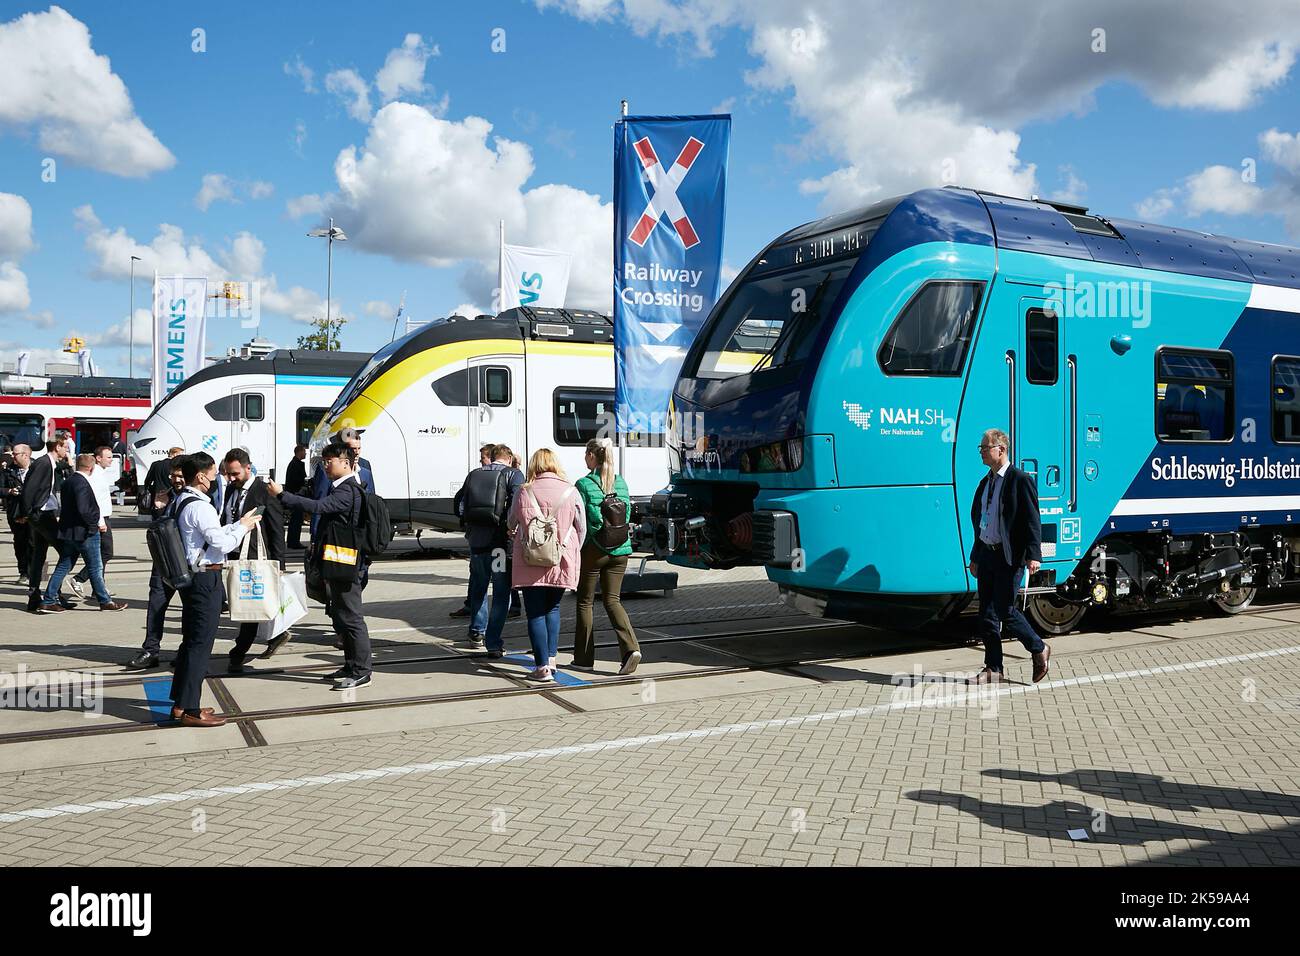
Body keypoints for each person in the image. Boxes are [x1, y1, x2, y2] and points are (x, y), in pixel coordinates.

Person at [270, 441, 372, 690]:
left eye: (330, 461)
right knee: (341, 615)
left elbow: (318, 507)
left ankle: (362, 671)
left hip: (346, 564)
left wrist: (283, 495)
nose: (326, 466)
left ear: (346, 463)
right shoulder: (341, 488)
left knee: (351, 617)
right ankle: (350, 664)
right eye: (324, 461)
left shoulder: (348, 490)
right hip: (337, 562)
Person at [170, 452, 261, 727]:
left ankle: (181, 702)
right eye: (213, 473)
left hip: (192, 577)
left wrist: (237, 525)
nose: (217, 478)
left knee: (190, 642)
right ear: (200, 476)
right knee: (200, 645)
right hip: (204, 579)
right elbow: (221, 544)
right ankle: (191, 710)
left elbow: (212, 536)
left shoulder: (182, 501)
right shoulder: (200, 506)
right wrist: (243, 529)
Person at [967, 428, 1050, 685]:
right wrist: (976, 556)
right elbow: (981, 522)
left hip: (1009, 557)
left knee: (1005, 610)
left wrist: (1033, 554)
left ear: (1000, 450)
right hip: (987, 554)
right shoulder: (985, 483)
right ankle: (994, 668)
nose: (981, 452)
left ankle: (1038, 648)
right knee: (986, 614)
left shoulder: (1019, 479)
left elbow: (1032, 519)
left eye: (984, 447)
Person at [507, 448, 585, 682]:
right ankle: (551, 660)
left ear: (534, 466)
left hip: (530, 560)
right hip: (561, 559)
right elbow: (581, 528)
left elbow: (512, 521)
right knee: (553, 609)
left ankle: (541, 668)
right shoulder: (571, 491)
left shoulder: (524, 491)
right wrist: (571, 550)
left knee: (535, 613)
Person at [573, 437, 642, 675]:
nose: (584, 457)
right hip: (621, 549)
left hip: (595, 550)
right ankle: (631, 649)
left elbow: (581, 521)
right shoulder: (621, 482)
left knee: (585, 602)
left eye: (586, 453)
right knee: (613, 601)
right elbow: (628, 513)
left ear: (592, 456)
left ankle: (583, 658)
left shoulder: (583, 484)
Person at [222, 448, 288, 672]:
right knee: (253, 602)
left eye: (235, 474)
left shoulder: (264, 491)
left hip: (256, 555)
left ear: (248, 468)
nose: (231, 478)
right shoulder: (231, 488)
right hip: (235, 553)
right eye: (228, 474)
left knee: (248, 605)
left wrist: (280, 563)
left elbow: (277, 529)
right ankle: (276, 635)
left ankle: (238, 652)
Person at [38, 454, 127, 614]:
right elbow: (84, 509)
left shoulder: (68, 482)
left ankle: (48, 600)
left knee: (64, 565)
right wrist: (96, 524)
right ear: (91, 468)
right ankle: (105, 601)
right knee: (95, 566)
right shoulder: (83, 483)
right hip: (85, 532)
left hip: (69, 532)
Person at [456, 444, 524, 656]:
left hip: (477, 543)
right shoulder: (513, 474)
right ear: (509, 458)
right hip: (499, 546)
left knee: (479, 587)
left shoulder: (473, 475)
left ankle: (476, 632)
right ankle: (493, 642)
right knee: (502, 592)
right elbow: (520, 504)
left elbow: (459, 506)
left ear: (492, 457)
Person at [126, 459, 188, 670]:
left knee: (189, 609)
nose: (176, 480)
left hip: (187, 564)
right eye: (173, 476)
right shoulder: (166, 495)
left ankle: (185, 651)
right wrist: (159, 509)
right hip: (163, 562)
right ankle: (151, 650)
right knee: (156, 605)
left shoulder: (195, 499)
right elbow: (158, 529)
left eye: (180, 476)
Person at [20, 431, 75, 613]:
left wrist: (69, 464)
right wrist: (27, 512)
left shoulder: (50, 463)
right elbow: (29, 488)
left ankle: (35, 596)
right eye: (65, 447)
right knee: (67, 552)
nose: (67, 450)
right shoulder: (44, 463)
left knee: (39, 555)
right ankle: (51, 597)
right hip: (41, 515)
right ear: (57, 447)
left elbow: (64, 472)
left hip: (44, 514)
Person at [306, 427, 372, 538]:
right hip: (336, 534)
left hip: (360, 533)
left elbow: (371, 499)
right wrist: (315, 534)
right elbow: (320, 501)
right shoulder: (326, 469)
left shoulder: (365, 466)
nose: (356, 453)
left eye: (359, 448)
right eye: (352, 449)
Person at [70, 446, 117, 601]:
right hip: (100, 517)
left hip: (103, 516)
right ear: (98, 458)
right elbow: (93, 499)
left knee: (102, 553)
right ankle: (79, 579)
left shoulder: (100, 472)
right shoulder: (95, 474)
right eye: (108, 457)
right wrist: (99, 521)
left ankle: (98, 589)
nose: (111, 459)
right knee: (106, 552)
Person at [1, 443, 32, 585]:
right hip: (16, 512)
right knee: (20, 543)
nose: (12, 456)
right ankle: (23, 572)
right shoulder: (8, 470)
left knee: (34, 543)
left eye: (15, 454)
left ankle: (34, 571)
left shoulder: (37, 468)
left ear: (25, 455)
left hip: (33, 513)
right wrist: (9, 491)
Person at [140, 446, 183, 512]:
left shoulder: (156, 464)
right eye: (180, 455)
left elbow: (148, 479)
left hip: (157, 492)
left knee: (157, 512)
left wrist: (146, 489)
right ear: (174, 454)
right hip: (171, 493)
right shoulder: (175, 466)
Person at [284, 444, 308, 549]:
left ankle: (293, 541)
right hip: (296, 495)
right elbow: (296, 481)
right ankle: (294, 542)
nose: (306, 453)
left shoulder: (294, 463)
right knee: (296, 520)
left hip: (294, 495)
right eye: (304, 451)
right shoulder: (296, 465)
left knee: (296, 520)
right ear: (299, 452)